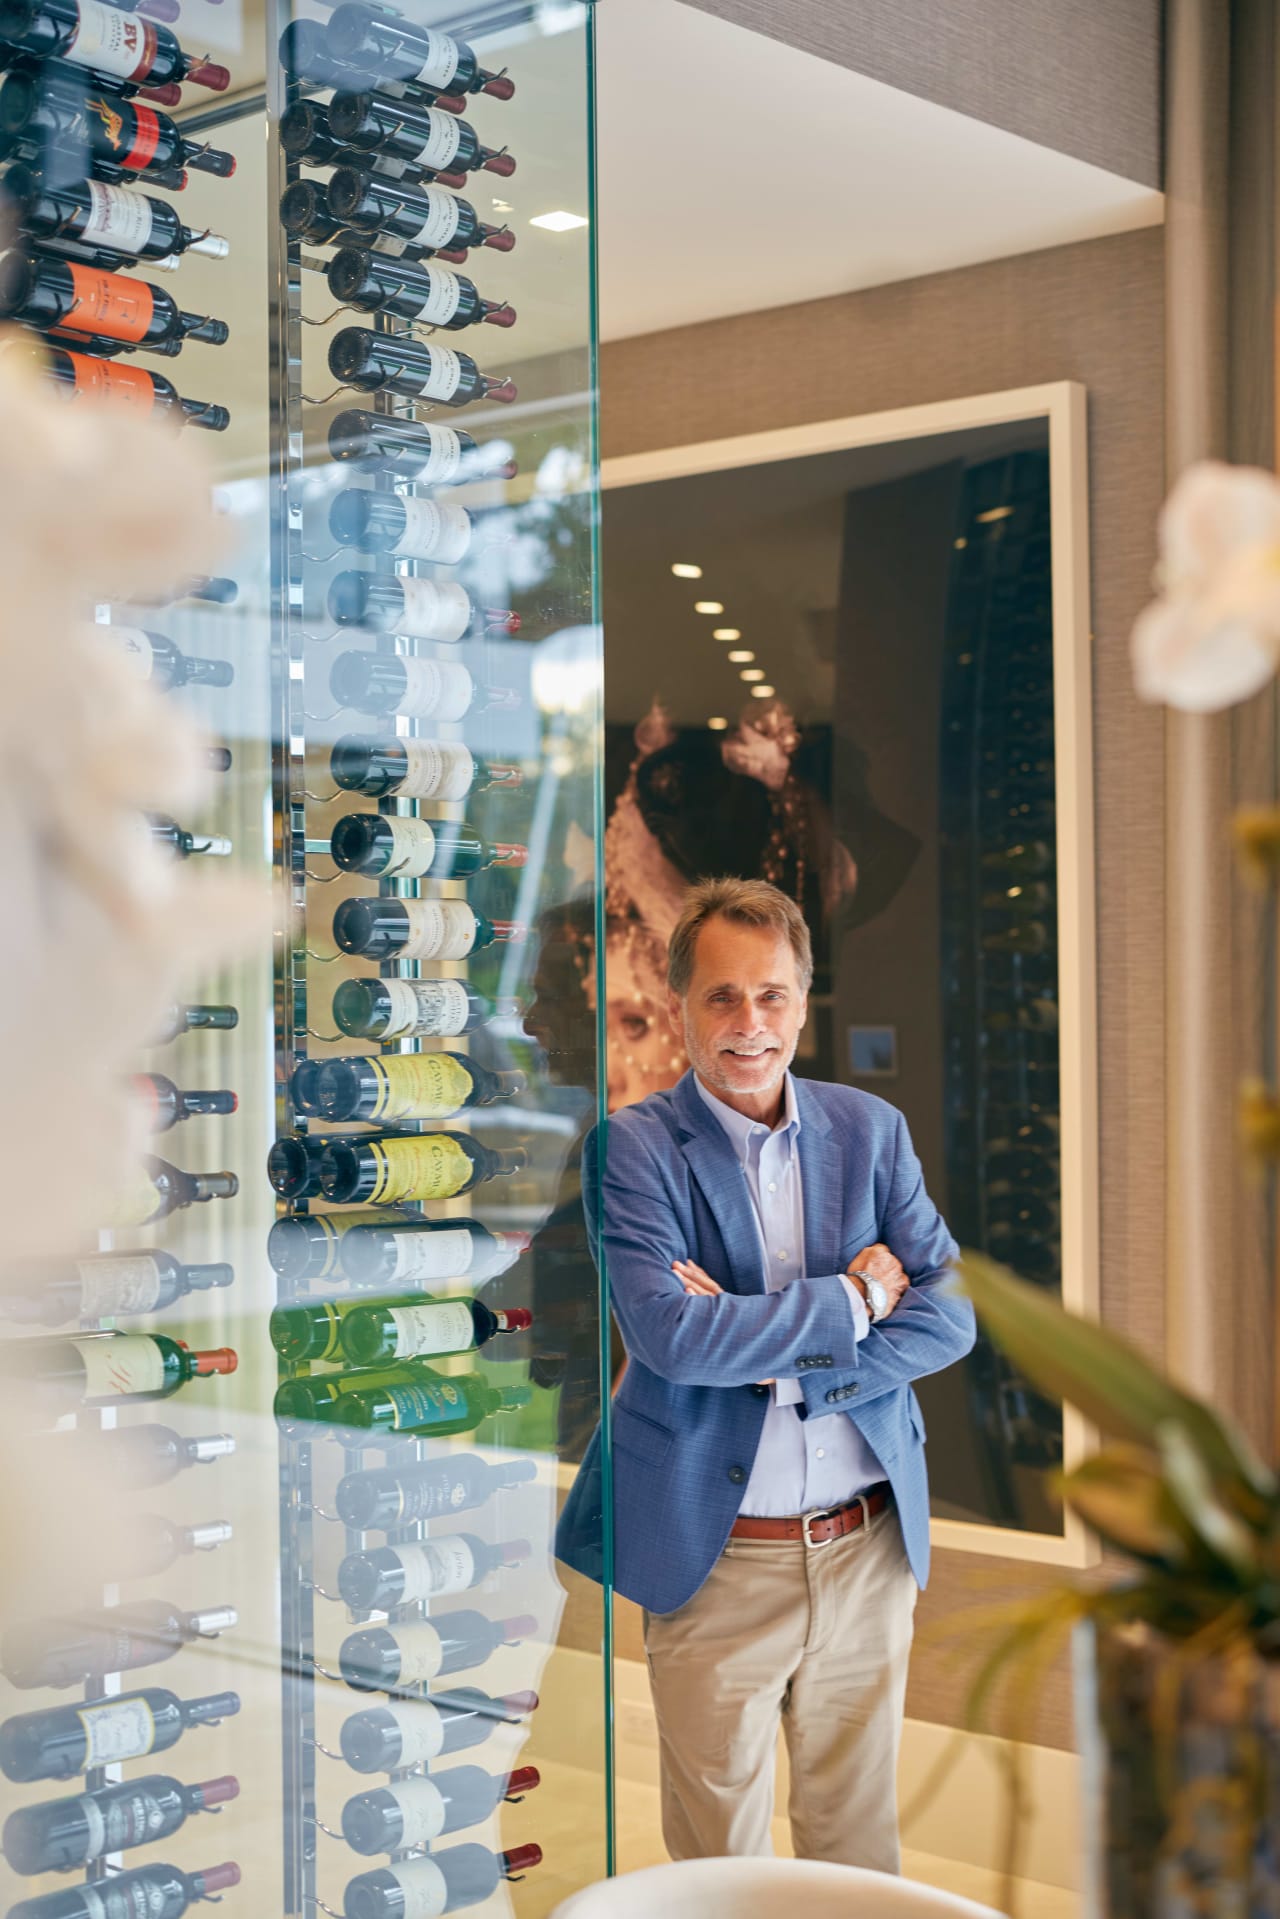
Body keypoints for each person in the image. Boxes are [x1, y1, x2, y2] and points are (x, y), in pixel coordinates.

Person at [557, 876, 975, 1869]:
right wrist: (857, 1300)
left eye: (771, 994)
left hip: (865, 1544)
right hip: (717, 1553)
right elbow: (672, 1340)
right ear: (677, 1002)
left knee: (855, 1835)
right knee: (719, 1852)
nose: (749, 1022)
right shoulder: (634, 1150)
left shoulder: (868, 1130)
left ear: (802, 995)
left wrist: (785, 1361)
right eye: (720, 995)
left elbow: (952, 1312)